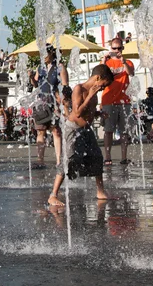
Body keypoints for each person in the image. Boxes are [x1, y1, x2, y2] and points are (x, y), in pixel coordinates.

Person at [47, 64, 114, 207]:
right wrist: (90, 96)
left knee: (97, 157)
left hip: (86, 129)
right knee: (68, 161)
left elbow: (87, 111)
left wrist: (98, 113)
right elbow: (77, 112)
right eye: (103, 84)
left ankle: (100, 191)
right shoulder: (80, 89)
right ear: (97, 78)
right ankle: (53, 195)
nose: (103, 88)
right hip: (73, 129)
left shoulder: (94, 93)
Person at [30, 45, 68, 169]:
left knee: (55, 131)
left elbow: (65, 86)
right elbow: (36, 85)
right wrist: (31, 77)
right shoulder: (40, 68)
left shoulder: (60, 67)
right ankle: (40, 160)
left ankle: (59, 160)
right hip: (41, 103)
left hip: (54, 103)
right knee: (40, 131)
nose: (42, 57)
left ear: (51, 53)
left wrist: (61, 103)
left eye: (44, 53)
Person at [100, 37, 136, 166]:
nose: (116, 51)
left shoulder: (128, 62)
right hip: (108, 100)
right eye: (114, 48)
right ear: (110, 49)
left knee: (124, 131)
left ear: (122, 48)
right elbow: (99, 76)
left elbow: (131, 73)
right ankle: (107, 157)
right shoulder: (107, 63)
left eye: (119, 48)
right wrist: (103, 61)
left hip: (124, 101)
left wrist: (123, 62)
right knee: (108, 130)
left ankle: (123, 157)